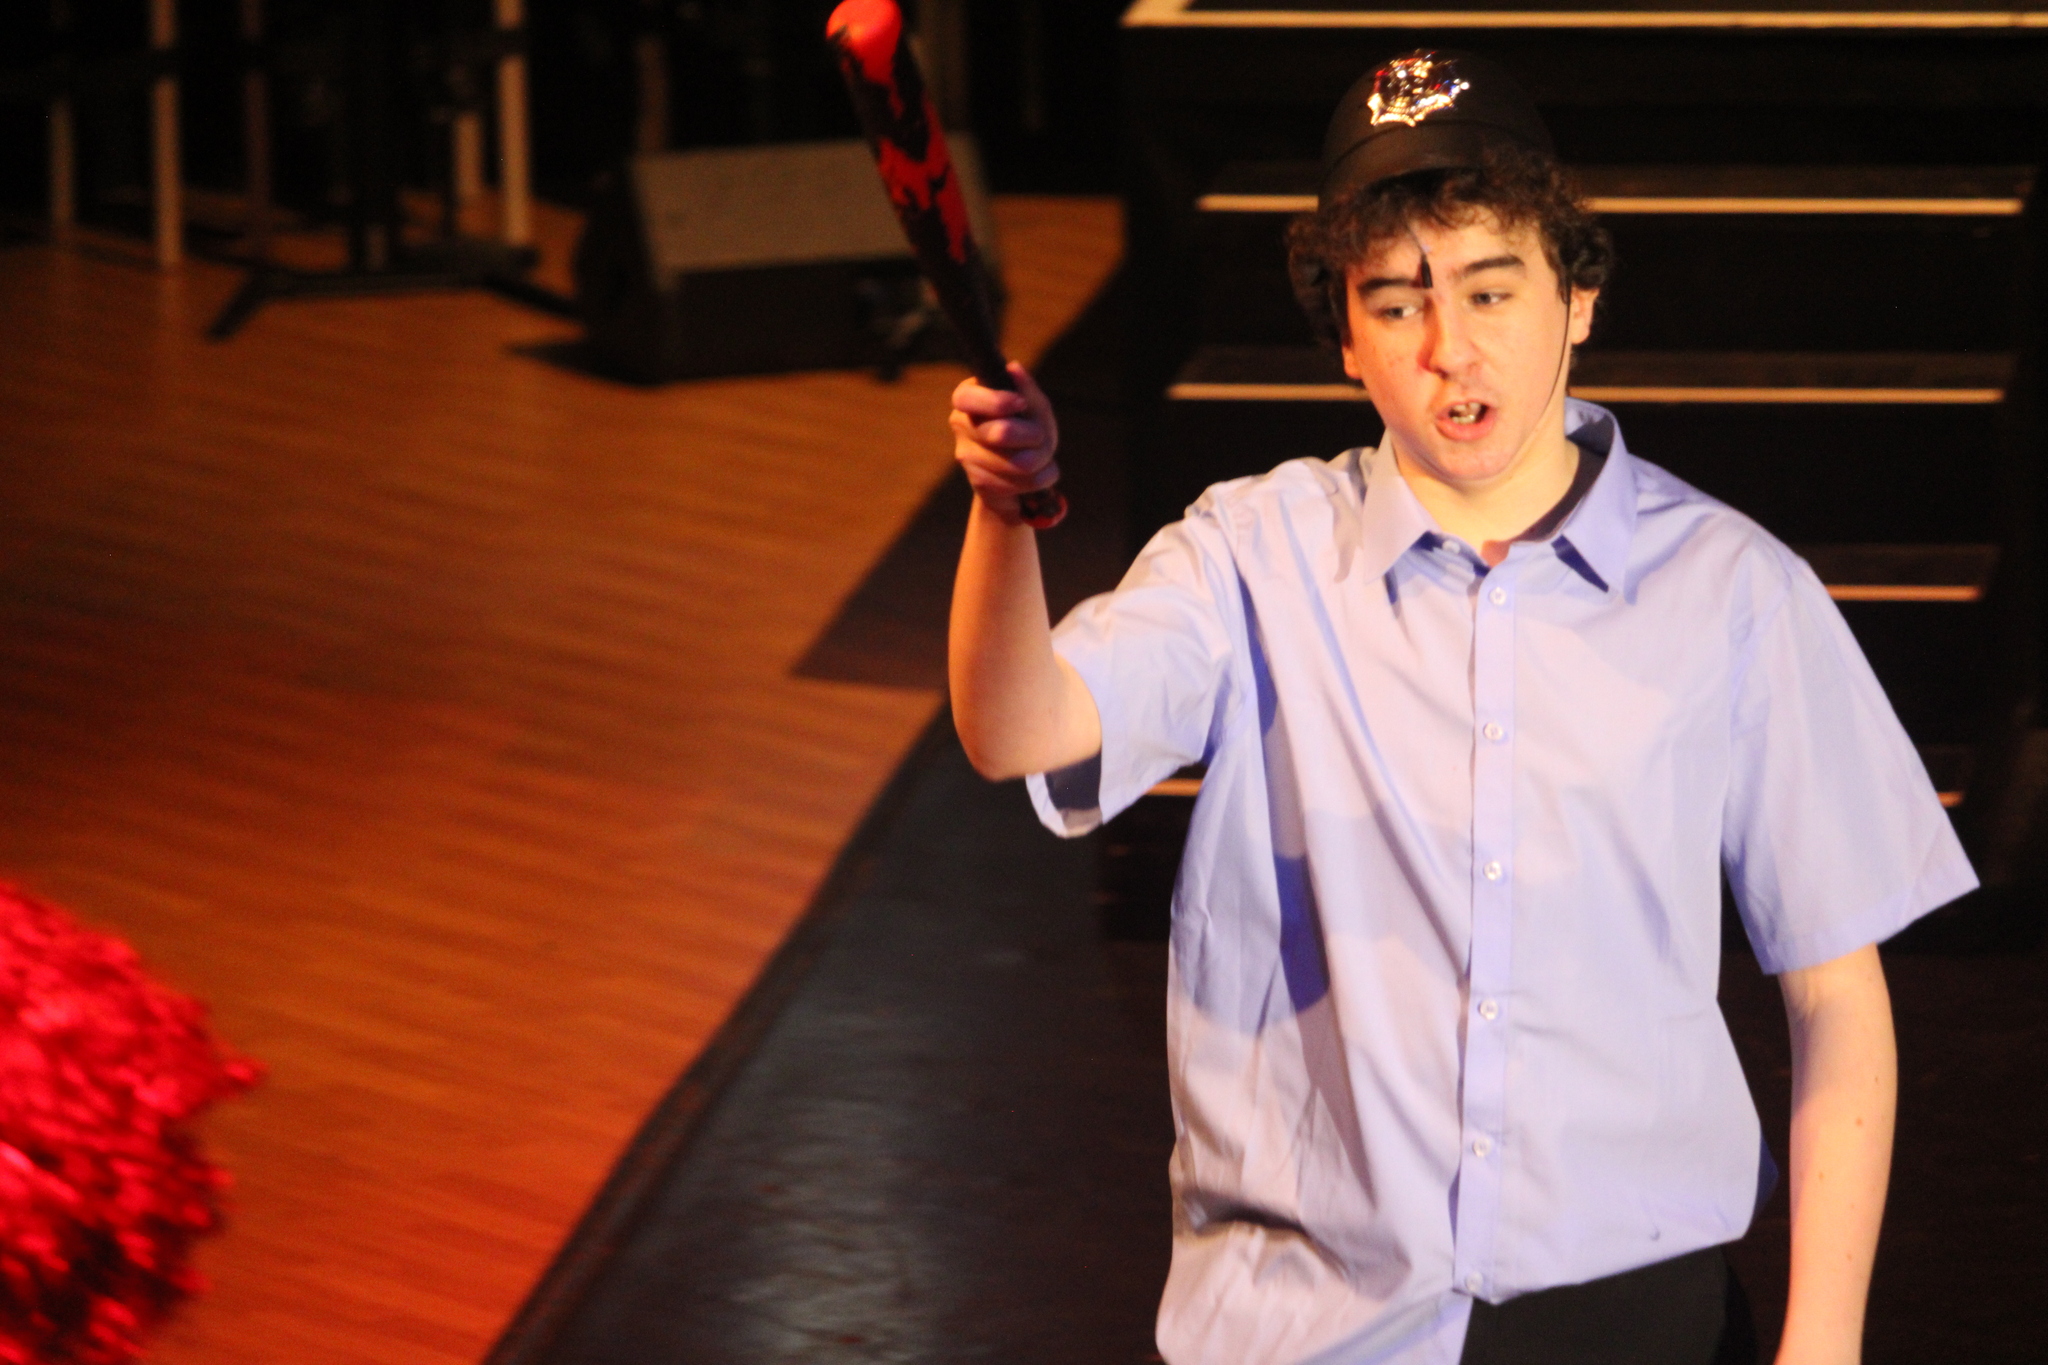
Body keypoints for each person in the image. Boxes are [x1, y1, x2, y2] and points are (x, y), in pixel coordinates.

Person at [945, 49, 1973, 1365]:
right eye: (1396, 302)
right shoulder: (1250, 554)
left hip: (1630, 1319)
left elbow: (1837, 997)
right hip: (1315, 1326)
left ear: (1577, 297)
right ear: (1346, 339)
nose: (1450, 348)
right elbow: (1016, 731)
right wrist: (1003, 513)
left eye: (1492, 289)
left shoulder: (1733, 589)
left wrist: (1822, 1344)